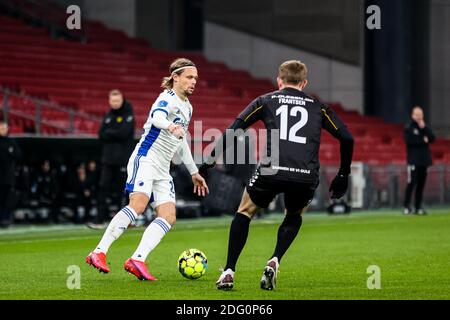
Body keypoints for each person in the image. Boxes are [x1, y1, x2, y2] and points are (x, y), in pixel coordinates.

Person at [199, 60, 354, 291]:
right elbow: (348, 138)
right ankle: (275, 260)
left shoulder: (266, 100)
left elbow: (234, 129)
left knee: (245, 211)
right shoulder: (318, 106)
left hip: (271, 170)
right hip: (305, 174)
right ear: (304, 83)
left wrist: (208, 162)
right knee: (293, 214)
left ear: (279, 81)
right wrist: (343, 174)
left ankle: (229, 271)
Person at [86, 58, 209, 281]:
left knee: (168, 216)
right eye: (190, 77)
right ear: (176, 77)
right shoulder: (166, 98)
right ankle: (98, 252)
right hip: (146, 158)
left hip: (162, 168)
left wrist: (193, 171)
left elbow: (181, 142)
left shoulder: (188, 107)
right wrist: (170, 125)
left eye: (196, 79)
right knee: (139, 205)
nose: (194, 82)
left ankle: (137, 259)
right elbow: (157, 117)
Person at [87, 90, 136, 228]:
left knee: (124, 190)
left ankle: (127, 220)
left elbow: (123, 133)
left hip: (123, 160)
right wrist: (113, 133)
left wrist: (110, 132)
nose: (115, 104)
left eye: (117, 101)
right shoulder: (108, 115)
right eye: (112, 101)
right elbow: (101, 134)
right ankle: (99, 219)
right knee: (103, 187)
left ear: (122, 100)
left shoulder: (128, 114)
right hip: (108, 159)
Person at [403, 106, 435, 215]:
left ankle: (418, 207)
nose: (419, 117)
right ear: (413, 115)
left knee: (421, 185)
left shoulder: (425, 127)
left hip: (424, 161)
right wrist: (423, 140)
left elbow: (432, 138)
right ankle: (407, 206)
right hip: (413, 161)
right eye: (417, 114)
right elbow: (410, 141)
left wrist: (424, 128)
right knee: (412, 183)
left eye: (421, 114)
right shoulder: (409, 128)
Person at [0, 122, 21, 227]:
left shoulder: (12, 141)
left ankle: (5, 219)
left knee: (8, 199)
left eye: (5, 128)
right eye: (1, 128)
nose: (3, 130)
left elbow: (18, 155)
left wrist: (8, 154)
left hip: (8, 177)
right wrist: (9, 153)